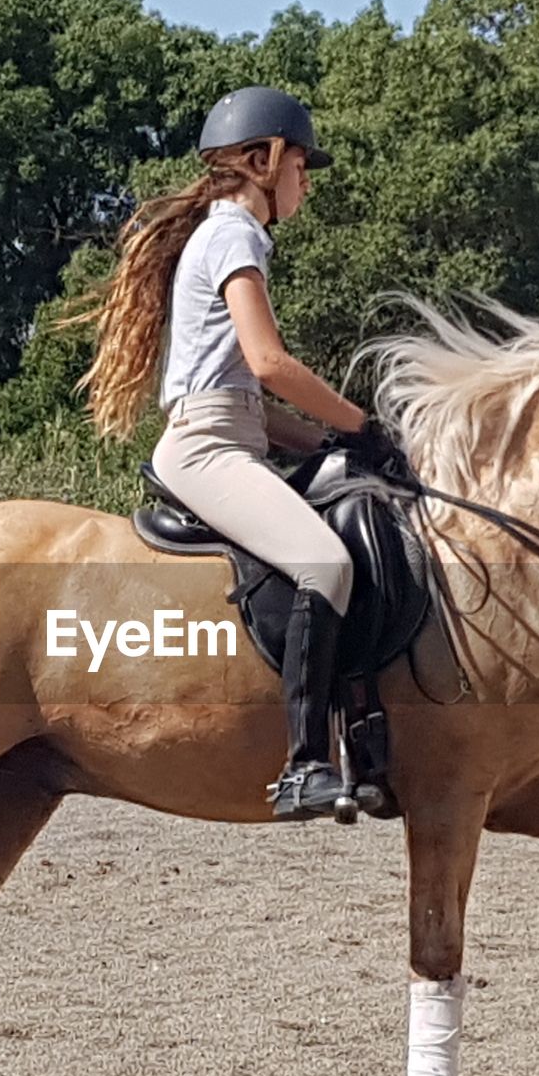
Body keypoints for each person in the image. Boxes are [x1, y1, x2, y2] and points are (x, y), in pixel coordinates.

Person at [74, 86, 370, 819]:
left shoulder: (230, 235)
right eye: (302, 162)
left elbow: (254, 403)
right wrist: (362, 422)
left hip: (232, 435)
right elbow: (269, 363)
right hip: (206, 450)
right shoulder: (233, 234)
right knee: (326, 563)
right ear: (260, 159)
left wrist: (331, 438)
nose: (307, 178)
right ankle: (305, 765)